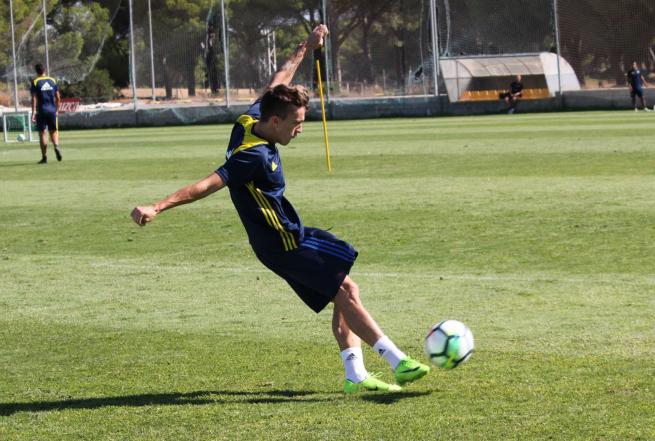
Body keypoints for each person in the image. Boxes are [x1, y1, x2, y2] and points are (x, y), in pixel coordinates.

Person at [130, 24, 430, 393]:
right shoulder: (250, 156)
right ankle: (398, 362)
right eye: (296, 123)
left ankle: (355, 376)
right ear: (275, 122)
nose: (300, 130)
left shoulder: (251, 118)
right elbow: (206, 186)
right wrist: (158, 207)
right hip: (282, 244)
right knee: (347, 291)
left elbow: (280, 76)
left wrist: (309, 45)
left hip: (291, 233)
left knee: (346, 287)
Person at [31, 63, 62, 164]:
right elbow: (58, 98)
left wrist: (33, 112)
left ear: (36, 71)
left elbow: (34, 98)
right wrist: (57, 110)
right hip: (52, 110)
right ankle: (56, 146)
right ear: (44, 70)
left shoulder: (35, 82)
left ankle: (44, 158)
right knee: (53, 131)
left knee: (43, 134)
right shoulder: (52, 80)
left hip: (42, 111)